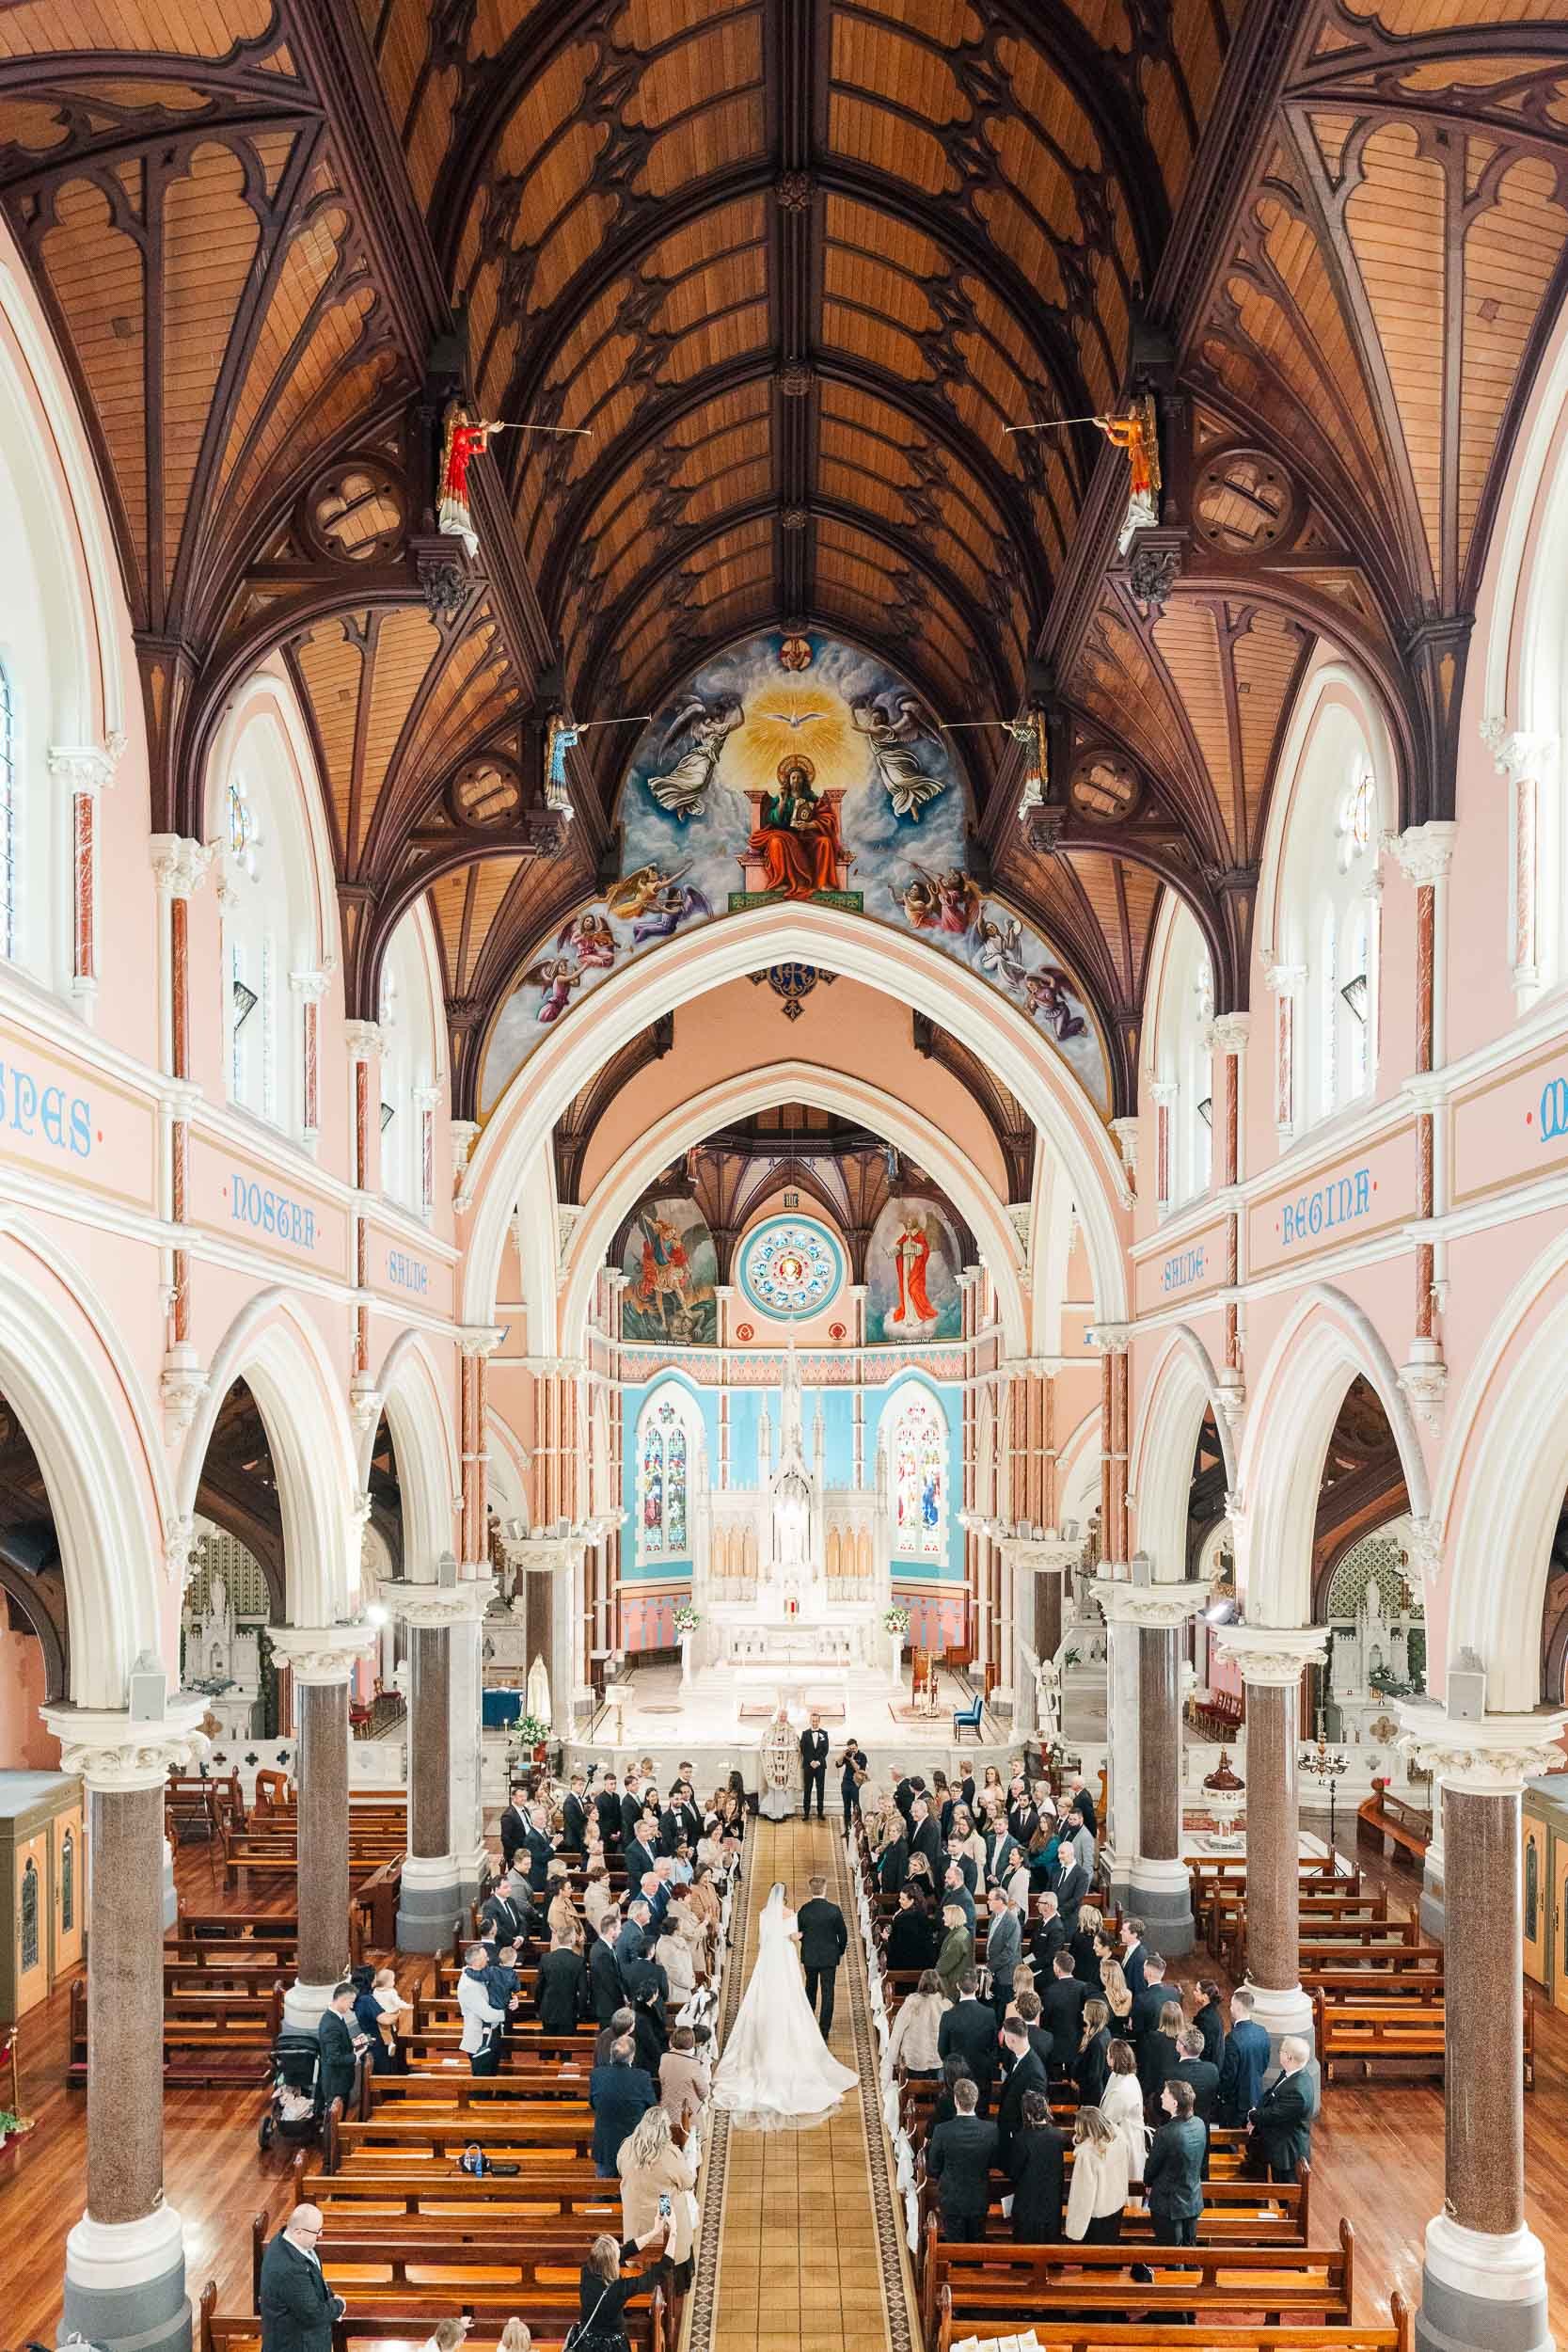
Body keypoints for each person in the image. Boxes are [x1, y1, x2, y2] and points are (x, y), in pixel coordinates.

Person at [711, 1881, 858, 2128]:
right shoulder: (791, 1913)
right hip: (787, 1957)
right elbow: (793, 1936)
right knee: (793, 1994)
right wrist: (798, 1936)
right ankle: (811, 2026)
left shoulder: (763, 1914)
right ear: (786, 1896)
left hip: (768, 1959)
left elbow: (761, 1940)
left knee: (766, 1994)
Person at [617, 2105, 699, 2296]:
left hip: (637, 2216)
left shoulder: (627, 2147)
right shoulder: (668, 2154)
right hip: (664, 2210)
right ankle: (676, 2285)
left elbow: (621, 2169)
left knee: (645, 2240)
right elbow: (687, 2182)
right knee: (670, 2239)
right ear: (665, 2129)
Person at [258, 2205, 343, 2352]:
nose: (320, 2235)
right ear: (298, 2231)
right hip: (295, 2345)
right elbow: (313, 2314)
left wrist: (329, 2294)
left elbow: (315, 2275)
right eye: (317, 2231)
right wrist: (339, 2306)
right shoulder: (290, 2269)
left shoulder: (286, 2240)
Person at [574, 2226, 671, 2352]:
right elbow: (655, 2276)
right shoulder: (619, 2288)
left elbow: (625, 2251)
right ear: (612, 2261)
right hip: (613, 2346)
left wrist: (654, 2232)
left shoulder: (586, 2270)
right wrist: (673, 2235)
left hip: (586, 2342)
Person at [926, 2075, 998, 2242]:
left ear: (956, 2101)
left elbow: (933, 2167)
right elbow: (994, 2162)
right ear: (976, 2100)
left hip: (952, 2200)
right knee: (976, 2247)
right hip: (978, 2198)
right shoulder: (991, 2130)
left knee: (955, 2247)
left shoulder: (942, 2131)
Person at [1145, 2078, 1207, 2272]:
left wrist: (1147, 2182)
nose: (1161, 2095)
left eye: (1165, 2093)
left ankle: (1177, 2292)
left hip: (1169, 2202)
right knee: (1190, 2251)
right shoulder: (1199, 2124)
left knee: (1172, 2254)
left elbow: (1152, 2167)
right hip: (1192, 2197)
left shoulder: (1166, 2133)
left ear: (1174, 2103)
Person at [590, 2034, 657, 2178]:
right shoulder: (642, 2077)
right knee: (631, 2188)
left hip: (606, 2143)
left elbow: (593, 2103)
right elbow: (651, 2106)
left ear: (611, 2055)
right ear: (632, 2056)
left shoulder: (597, 2075)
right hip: (632, 2143)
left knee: (602, 2189)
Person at [1249, 2034, 1314, 2182]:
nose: (1279, 2053)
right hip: (1278, 2142)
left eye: (1281, 2051)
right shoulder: (1291, 2074)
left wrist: (1253, 2116)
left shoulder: (1297, 2091)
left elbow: (1274, 2114)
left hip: (1288, 2153)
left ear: (1289, 2057)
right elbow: (1271, 2094)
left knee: (1287, 2196)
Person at [1064, 2105, 1131, 2245]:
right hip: (1116, 2204)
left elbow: (1083, 2195)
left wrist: (1075, 2229)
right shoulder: (1118, 2136)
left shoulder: (1087, 2154)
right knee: (1111, 2253)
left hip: (1098, 2214)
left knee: (1095, 2259)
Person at [1008, 2088, 1067, 2243]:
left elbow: (1014, 2172)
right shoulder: (1058, 2136)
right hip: (1051, 2202)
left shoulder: (1021, 2139)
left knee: (1026, 2249)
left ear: (1027, 2114)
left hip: (1027, 2203)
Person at [938, 1970, 999, 2110]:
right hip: (982, 2076)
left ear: (958, 1986)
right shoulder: (989, 2014)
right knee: (981, 2116)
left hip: (956, 2079)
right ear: (977, 1986)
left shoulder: (948, 2016)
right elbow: (994, 2047)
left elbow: (942, 2050)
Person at [797, 1872, 848, 2038]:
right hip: (829, 1957)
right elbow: (843, 1934)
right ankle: (824, 2030)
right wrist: (839, 1951)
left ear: (810, 1889)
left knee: (810, 1989)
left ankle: (808, 2024)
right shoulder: (834, 1910)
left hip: (810, 1957)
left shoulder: (804, 1910)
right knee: (828, 1993)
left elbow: (800, 1932)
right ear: (825, 1889)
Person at [993, 2016, 1049, 2166]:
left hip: (1017, 2136)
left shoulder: (1035, 2071)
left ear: (1011, 2040)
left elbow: (1033, 2112)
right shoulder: (1017, 2056)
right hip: (1008, 2129)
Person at [1216, 1987, 1271, 2126]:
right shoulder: (1262, 2032)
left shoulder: (1233, 2038)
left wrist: (1221, 2094)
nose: (1230, 2008)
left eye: (1231, 2005)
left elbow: (1229, 2075)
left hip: (1236, 2101)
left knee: (1229, 2140)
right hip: (1256, 2094)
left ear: (1238, 2007)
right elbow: (1264, 2064)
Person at [1100, 2037, 1148, 2188]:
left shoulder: (1124, 2088)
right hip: (1119, 2137)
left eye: (1108, 2054)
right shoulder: (1117, 2076)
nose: (1106, 2056)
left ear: (1114, 2059)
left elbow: (1109, 2119)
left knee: (1125, 2186)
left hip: (1126, 2141)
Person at [885, 1967, 945, 2079]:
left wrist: (892, 2058)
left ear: (921, 1983)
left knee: (914, 2091)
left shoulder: (912, 2003)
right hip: (938, 2058)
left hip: (915, 2058)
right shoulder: (946, 2004)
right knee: (935, 2091)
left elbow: (898, 2031)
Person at [317, 1981, 366, 2114]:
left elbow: (339, 2043)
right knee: (335, 2123)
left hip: (340, 2080)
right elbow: (334, 2058)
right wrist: (355, 2056)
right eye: (351, 2002)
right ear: (343, 1999)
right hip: (336, 2083)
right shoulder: (331, 2025)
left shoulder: (335, 2017)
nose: (351, 2006)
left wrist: (355, 2043)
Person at [458, 1945, 508, 2075]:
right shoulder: (469, 1986)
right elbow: (488, 2015)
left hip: (491, 2034)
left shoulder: (479, 1975)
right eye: (485, 1957)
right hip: (479, 2040)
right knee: (481, 2086)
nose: (488, 1959)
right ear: (477, 1961)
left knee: (491, 2077)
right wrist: (504, 2011)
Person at [1039, 1948, 1088, 2070]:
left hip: (1056, 2047)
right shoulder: (1084, 1988)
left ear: (1057, 1969)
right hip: (1079, 2044)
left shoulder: (1049, 1991)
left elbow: (1045, 2021)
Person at [659, 2023, 711, 2132]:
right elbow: (703, 2092)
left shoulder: (664, 2057)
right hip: (686, 2114)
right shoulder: (693, 2063)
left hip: (667, 2110)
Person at [536, 1931, 590, 2032]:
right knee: (567, 2045)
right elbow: (583, 1991)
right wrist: (581, 2012)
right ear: (572, 1940)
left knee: (549, 2045)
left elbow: (539, 1987)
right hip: (569, 2013)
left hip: (548, 2011)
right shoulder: (579, 1961)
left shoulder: (545, 1958)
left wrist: (539, 2007)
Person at [1141, 2000, 1186, 2110]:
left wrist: (1144, 2095)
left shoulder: (1151, 2038)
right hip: (1180, 2093)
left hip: (1158, 2091)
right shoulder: (1186, 2040)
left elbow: (1148, 2068)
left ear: (1162, 2018)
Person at [984, 1887, 1022, 2019]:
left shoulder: (1012, 1921)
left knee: (1004, 2012)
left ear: (1000, 1901)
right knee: (994, 2010)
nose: (987, 1902)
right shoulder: (994, 1916)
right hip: (995, 1972)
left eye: (990, 1900)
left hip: (1006, 1974)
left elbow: (1009, 1952)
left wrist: (990, 1966)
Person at [1172, 2026, 1220, 2129]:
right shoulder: (1212, 2070)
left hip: (1179, 2130)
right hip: (1203, 2129)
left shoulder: (1172, 2073)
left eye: (1178, 2040)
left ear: (1181, 2047)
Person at [1073, 1996, 1113, 2107]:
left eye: (1085, 2010)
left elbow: (1094, 2075)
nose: (1082, 2012)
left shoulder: (1097, 2041)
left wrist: (1079, 2084)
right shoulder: (1103, 2032)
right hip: (1092, 2092)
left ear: (1091, 2015)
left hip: (1093, 2097)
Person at [887, 1886, 937, 1971]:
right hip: (924, 1963)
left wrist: (888, 1937)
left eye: (903, 1899)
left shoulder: (901, 1919)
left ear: (912, 1900)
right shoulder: (922, 1914)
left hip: (905, 1965)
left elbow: (895, 1945)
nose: (899, 1901)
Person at [935, 1899, 973, 2001]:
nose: (943, 1918)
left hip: (952, 1987)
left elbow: (943, 1967)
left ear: (953, 1917)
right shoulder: (961, 1932)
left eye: (945, 1915)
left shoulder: (957, 1940)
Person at [799, 1710, 830, 1820]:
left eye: (816, 1721)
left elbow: (825, 1750)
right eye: (813, 1721)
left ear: (819, 1721)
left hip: (820, 1766)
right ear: (810, 1721)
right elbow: (803, 1749)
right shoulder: (805, 1733)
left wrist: (818, 1762)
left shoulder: (824, 1734)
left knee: (820, 1789)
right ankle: (806, 1813)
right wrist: (811, 1761)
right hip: (808, 1766)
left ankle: (820, 1813)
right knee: (807, 1789)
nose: (815, 1722)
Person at [1192, 1979, 1227, 2070]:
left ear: (1205, 1996)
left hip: (1207, 2066)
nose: (1194, 1992)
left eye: (1196, 1990)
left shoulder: (1205, 2018)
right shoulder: (1213, 2012)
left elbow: (1204, 2048)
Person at [839, 1735, 868, 1835]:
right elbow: (838, 1764)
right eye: (850, 1749)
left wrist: (851, 1760)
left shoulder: (862, 1756)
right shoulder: (847, 1754)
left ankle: (858, 1829)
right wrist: (842, 1755)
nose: (852, 1750)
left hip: (856, 1784)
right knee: (846, 1807)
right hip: (846, 1783)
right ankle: (847, 1829)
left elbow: (859, 1770)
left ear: (857, 1746)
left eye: (854, 1748)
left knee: (857, 1807)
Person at [499, 1782, 529, 1872]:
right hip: (518, 1854)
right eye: (520, 1796)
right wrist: (520, 1853)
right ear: (513, 1798)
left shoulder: (525, 1809)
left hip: (528, 1848)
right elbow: (505, 1839)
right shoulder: (508, 1815)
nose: (524, 1798)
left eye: (525, 1796)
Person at [561, 1772, 591, 1854]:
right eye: (580, 1785)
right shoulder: (569, 1801)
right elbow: (573, 1823)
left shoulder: (579, 1799)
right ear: (573, 1785)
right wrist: (584, 1835)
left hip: (578, 1838)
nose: (582, 1787)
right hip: (573, 1840)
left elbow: (583, 1818)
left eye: (583, 1785)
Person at [1119, 1917, 1148, 1998]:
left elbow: (1139, 1990)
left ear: (1134, 1934)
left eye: (1124, 1930)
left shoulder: (1139, 1958)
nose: (1120, 1932)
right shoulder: (1132, 1949)